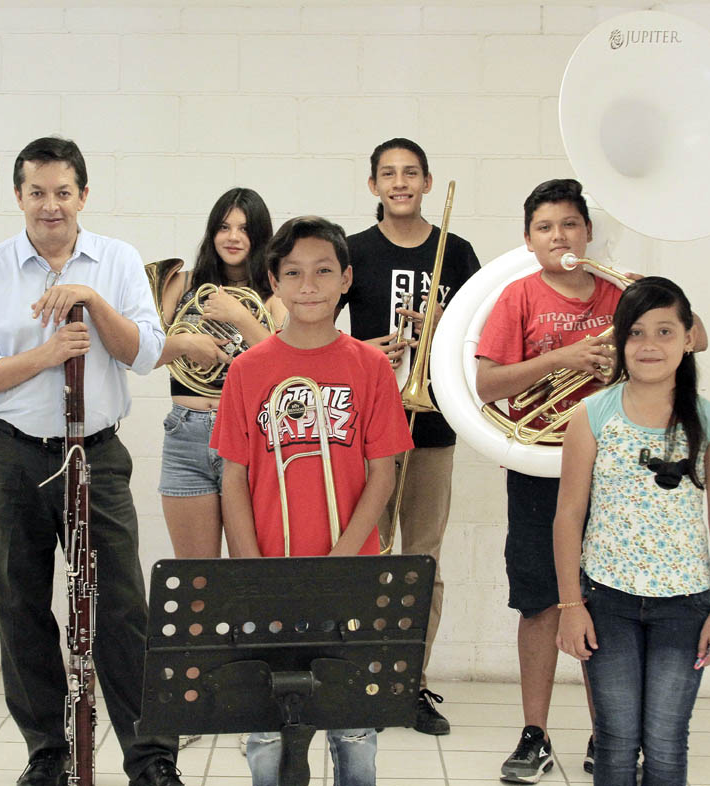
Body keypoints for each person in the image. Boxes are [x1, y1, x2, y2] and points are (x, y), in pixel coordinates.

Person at [0, 136, 181, 786]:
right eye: (36, 192)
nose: (50, 205)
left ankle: (150, 757)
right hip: (10, 455)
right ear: (18, 195)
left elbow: (143, 351)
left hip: (97, 455)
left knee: (123, 608)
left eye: (62, 192)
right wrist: (44, 358)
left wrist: (94, 302)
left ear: (83, 194)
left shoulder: (117, 260)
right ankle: (47, 754)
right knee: (20, 604)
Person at [476, 179, 707, 783]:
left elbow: (697, 336)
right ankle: (535, 733)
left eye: (571, 225)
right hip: (538, 463)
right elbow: (487, 385)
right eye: (546, 227)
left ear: (588, 232)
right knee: (540, 602)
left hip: (616, 468)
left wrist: (645, 293)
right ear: (528, 240)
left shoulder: (617, 292)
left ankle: (611, 733)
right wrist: (565, 359)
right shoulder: (517, 298)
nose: (560, 237)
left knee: (602, 602)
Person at [212, 216, 413, 786]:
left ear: (346, 279)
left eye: (324, 271)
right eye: (294, 273)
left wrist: (343, 561)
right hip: (267, 570)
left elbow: (382, 475)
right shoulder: (249, 370)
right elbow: (233, 477)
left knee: (353, 730)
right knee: (265, 734)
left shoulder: (371, 367)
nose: (309, 285)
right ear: (273, 281)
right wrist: (250, 567)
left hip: (349, 572)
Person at [553, 276, 710, 786]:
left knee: (664, 740)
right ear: (620, 341)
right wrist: (571, 606)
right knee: (614, 739)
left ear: (688, 338)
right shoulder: (592, 415)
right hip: (606, 600)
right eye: (636, 333)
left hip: (684, 606)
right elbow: (568, 514)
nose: (650, 345)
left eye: (664, 331)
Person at [341, 137, 480, 735]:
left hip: (434, 426)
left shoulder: (459, 251)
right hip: (369, 429)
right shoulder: (352, 250)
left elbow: (481, 331)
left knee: (422, 559)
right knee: (364, 555)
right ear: (373, 185)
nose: (400, 182)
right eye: (388, 174)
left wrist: (441, 330)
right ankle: (357, 677)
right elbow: (311, 321)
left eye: (411, 173)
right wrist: (359, 350)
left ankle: (409, 683)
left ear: (427, 182)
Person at [157, 187, 285, 560]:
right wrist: (185, 344)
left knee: (250, 580)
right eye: (224, 227)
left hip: (248, 434)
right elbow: (143, 353)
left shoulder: (273, 294)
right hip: (186, 435)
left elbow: (281, 367)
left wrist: (241, 317)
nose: (233, 237)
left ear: (259, 236)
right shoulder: (182, 285)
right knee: (197, 581)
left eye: (245, 229)